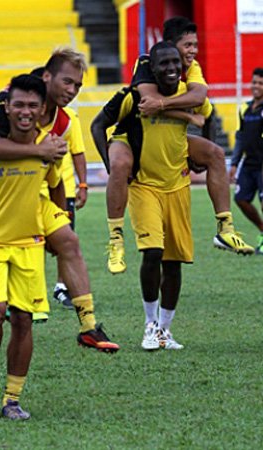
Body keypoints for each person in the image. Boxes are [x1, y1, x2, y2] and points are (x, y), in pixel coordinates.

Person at [0, 48, 118, 366]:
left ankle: (88, 325)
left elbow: (53, 176)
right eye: (67, 82)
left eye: (77, 86)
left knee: (69, 241)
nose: (72, 91)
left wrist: (61, 218)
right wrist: (39, 150)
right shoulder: (11, 101)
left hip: (25, 193)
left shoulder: (61, 120)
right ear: (47, 77)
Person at [102, 16, 253, 275]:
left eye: (195, 45)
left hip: (168, 141)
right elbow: (146, 102)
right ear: (169, 46)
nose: (193, 51)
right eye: (187, 45)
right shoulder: (147, 63)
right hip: (134, 137)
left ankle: (225, 228)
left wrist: (197, 130)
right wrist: (188, 115)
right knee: (120, 165)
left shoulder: (192, 69)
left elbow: (199, 99)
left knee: (216, 153)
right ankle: (116, 238)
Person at [92, 41, 210, 350]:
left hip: (178, 187)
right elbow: (97, 125)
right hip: (144, 186)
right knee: (153, 253)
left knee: (174, 263)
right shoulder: (133, 97)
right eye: (164, 64)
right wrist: (112, 166)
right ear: (151, 69)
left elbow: (206, 118)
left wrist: (197, 157)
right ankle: (149, 324)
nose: (171, 68)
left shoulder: (189, 93)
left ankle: (165, 331)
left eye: (175, 63)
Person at [0, 74, 61, 419]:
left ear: (42, 110)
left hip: (29, 244)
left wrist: (58, 228)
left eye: (32, 106)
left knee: (23, 319)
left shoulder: (51, 147)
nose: (25, 112)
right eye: (19, 104)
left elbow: (56, 187)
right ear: (6, 106)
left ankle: (12, 398)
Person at [229, 68, 263, 254]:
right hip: (249, 164)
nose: (256, 86)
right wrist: (234, 163)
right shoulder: (245, 109)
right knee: (241, 199)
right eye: (254, 82)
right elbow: (240, 138)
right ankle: (262, 229)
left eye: (260, 83)